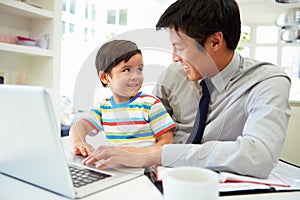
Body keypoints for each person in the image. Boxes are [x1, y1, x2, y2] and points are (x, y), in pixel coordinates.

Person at [81, 0, 291, 178]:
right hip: (154, 178)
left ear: (215, 42)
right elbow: (146, 124)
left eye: (180, 47)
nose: (174, 57)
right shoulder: (174, 74)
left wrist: (157, 154)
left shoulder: (268, 82)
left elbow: (260, 156)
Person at [70, 40, 175, 156]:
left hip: (146, 170)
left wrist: (144, 155)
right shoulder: (103, 108)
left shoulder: (150, 104)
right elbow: (80, 126)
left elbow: (167, 141)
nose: (136, 77)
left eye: (139, 69)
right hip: (118, 167)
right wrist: (79, 142)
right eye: (126, 70)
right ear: (105, 77)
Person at [152, 62, 201, 144]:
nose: (176, 57)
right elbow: (153, 121)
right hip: (171, 150)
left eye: (184, 48)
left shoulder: (228, 92)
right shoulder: (174, 74)